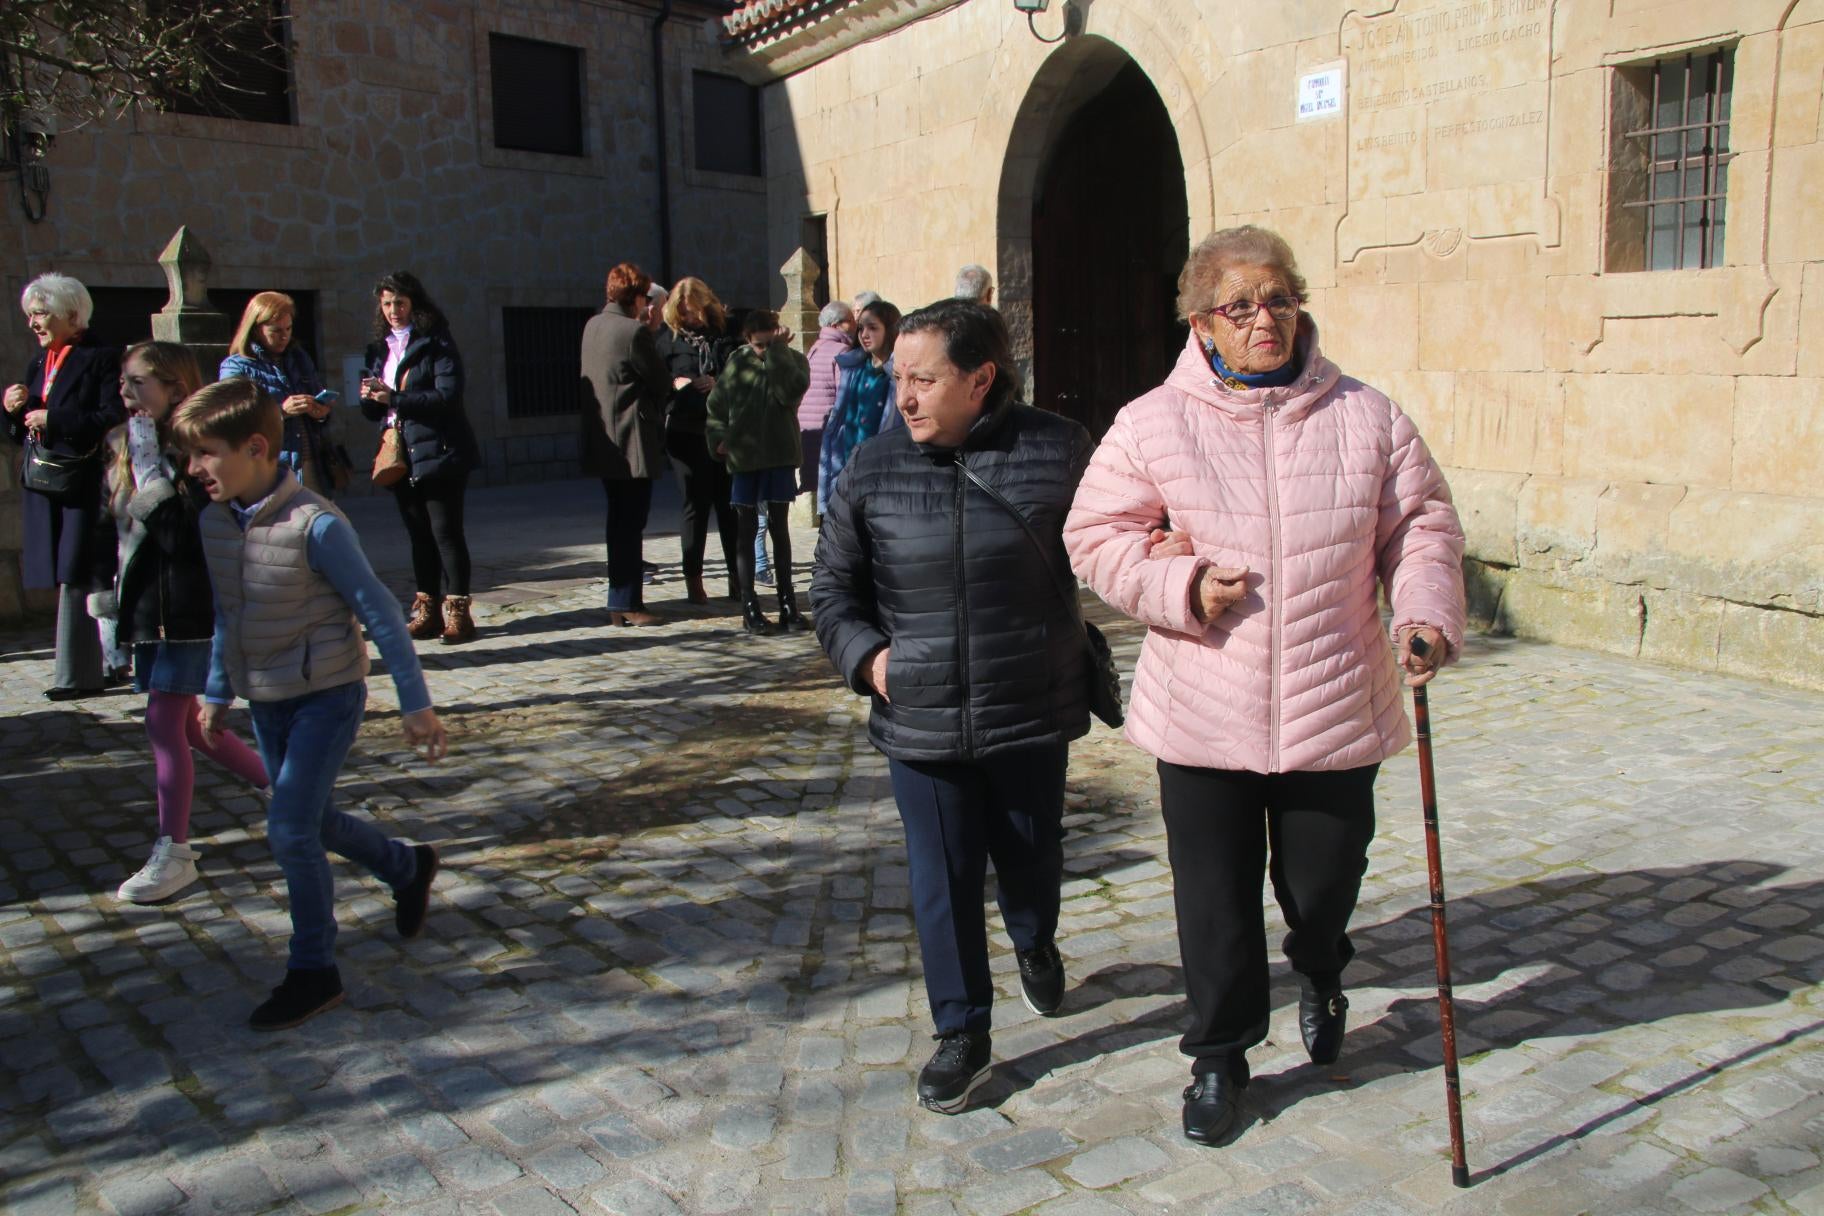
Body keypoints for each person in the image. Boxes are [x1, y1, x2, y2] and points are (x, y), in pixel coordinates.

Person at [1063, 225, 1467, 1147]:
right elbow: (1096, 535)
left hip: (1335, 697)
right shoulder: (1154, 422)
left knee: (1324, 882)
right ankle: (1219, 1054)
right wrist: (1181, 586)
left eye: (1279, 299)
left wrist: (1426, 611)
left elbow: (1422, 526)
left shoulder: (1368, 415)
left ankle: (1322, 965)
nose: (1264, 320)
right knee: (1214, 897)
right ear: (1202, 324)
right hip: (1204, 704)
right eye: (1240, 306)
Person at [810, 299, 1094, 1115]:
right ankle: (961, 1030)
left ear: (981, 380)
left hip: (1027, 706)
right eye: (898, 377)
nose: (904, 396)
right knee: (943, 877)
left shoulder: (1057, 450)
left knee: (1031, 858)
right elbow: (831, 589)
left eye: (923, 379)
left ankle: (1035, 939)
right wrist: (868, 657)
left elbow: (1120, 534)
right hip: (922, 714)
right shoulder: (873, 466)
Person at [174, 378, 448, 1031]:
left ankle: (313, 971)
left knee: (289, 828)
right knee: (313, 819)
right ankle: (406, 867)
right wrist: (216, 689)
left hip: (327, 695)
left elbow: (381, 613)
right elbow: (228, 612)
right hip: (267, 696)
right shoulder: (215, 522)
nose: (193, 469)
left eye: (205, 453)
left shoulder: (316, 525)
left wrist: (416, 702)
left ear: (257, 447)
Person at [90, 343, 270, 903]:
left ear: (173, 387)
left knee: (164, 724)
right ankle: (287, 789)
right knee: (193, 728)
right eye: (124, 380)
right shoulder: (126, 445)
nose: (126, 391)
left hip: (189, 609)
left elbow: (176, 534)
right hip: (149, 610)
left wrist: (151, 470)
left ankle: (175, 851)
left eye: (139, 381)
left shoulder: (195, 453)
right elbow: (111, 530)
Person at [3, 273, 124, 699]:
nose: (34, 323)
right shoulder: (39, 363)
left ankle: (82, 673)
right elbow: (23, 433)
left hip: (82, 483)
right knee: (62, 572)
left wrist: (53, 419)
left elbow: (111, 414)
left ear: (73, 316)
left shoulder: (101, 357)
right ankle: (89, 668)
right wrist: (15, 410)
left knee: (80, 571)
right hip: (45, 482)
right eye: (30, 314)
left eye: (41, 314)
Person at [359, 271, 479, 644]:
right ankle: (427, 610)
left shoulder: (435, 341)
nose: (394, 310)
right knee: (418, 535)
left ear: (414, 303)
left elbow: (448, 395)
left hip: (439, 449)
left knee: (445, 532)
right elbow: (373, 410)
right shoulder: (379, 347)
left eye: (400, 303)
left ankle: (458, 613)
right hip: (401, 451)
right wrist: (370, 399)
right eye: (387, 303)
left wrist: (394, 398)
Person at [707, 309, 811, 636]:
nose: (762, 351)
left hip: (779, 454)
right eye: (758, 345)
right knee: (747, 530)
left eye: (768, 344)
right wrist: (718, 437)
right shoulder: (736, 364)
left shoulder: (793, 360)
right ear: (747, 340)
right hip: (746, 458)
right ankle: (749, 605)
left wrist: (778, 354)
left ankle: (787, 603)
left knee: (779, 529)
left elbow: (789, 393)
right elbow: (717, 405)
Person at [581, 262, 673, 627]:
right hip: (631, 437)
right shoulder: (632, 332)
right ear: (636, 297)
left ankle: (618, 601)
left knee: (617, 521)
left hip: (603, 439)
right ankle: (628, 601)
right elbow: (660, 381)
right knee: (631, 522)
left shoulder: (592, 325)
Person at [660, 277, 740, 603]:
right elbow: (655, 379)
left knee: (729, 507)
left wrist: (717, 381)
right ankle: (694, 580)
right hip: (685, 431)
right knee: (695, 505)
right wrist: (676, 382)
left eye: (694, 312)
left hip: (722, 429)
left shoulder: (725, 334)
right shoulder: (668, 339)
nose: (690, 319)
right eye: (684, 313)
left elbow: (741, 372)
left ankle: (739, 578)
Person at [220, 292, 344, 496]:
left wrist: (320, 412)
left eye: (288, 328)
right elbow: (231, 419)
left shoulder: (298, 357)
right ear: (256, 329)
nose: (284, 336)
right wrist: (281, 412)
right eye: (276, 331)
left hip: (311, 463)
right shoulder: (236, 365)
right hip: (272, 467)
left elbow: (318, 400)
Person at [816, 299, 901, 515]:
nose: (864, 334)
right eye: (861, 327)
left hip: (883, 470)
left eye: (873, 328)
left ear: (890, 330)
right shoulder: (852, 368)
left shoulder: (898, 374)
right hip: (849, 465)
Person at [798, 300, 856, 509]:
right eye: (850, 321)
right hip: (830, 427)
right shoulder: (841, 351)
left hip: (809, 428)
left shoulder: (814, 348)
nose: (855, 325)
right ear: (836, 325)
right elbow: (845, 392)